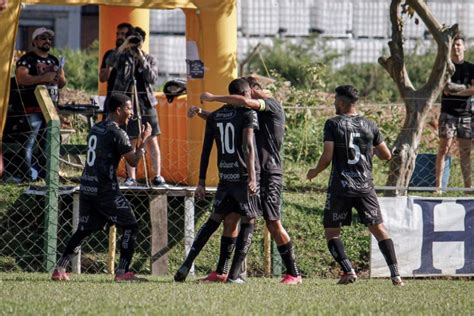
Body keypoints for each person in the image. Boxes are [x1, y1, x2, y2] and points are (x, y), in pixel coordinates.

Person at [197, 76, 302, 284]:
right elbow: (230, 121)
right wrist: (203, 114)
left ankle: (294, 273)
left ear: (254, 90)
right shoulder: (254, 112)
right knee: (230, 219)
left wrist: (212, 97)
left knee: (273, 223)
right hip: (253, 174)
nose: (245, 96)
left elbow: (244, 102)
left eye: (248, 92)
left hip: (270, 173)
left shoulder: (271, 105)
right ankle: (221, 272)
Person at [306, 85, 404, 286]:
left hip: (341, 186)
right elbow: (386, 155)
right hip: (365, 186)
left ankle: (348, 270)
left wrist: (314, 171)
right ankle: (396, 275)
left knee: (332, 231)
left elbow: (327, 156)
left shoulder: (333, 124)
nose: (333, 103)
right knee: (379, 229)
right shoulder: (370, 124)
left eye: (335, 100)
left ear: (341, 103)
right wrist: (369, 150)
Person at [51, 94, 151, 282]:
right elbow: (134, 161)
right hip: (105, 189)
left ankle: (60, 269)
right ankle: (122, 273)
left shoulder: (96, 128)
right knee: (130, 225)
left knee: (84, 229)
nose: (132, 113)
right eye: (129, 108)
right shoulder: (117, 132)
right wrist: (144, 141)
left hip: (88, 185)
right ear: (119, 110)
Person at [174, 78, 260, 284]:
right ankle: (234, 275)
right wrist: (253, 177)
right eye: (250, 94)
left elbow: (206, 150)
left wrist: (201, 181)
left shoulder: (217, 116)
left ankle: (188, 263)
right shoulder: (248, 113)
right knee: (250, 220)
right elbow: (248, 146)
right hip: (242, 177)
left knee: (218, 220)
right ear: (245, 94)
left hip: (225, 178)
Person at [107, 27, 165, 187]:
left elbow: (152, 78)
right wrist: (124, 45)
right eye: (132, 39)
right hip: (128, 104)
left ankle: (157, 176)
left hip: (146, 103)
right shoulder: (122, 57)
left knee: (152, 139)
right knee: (130, 140)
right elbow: (109, 62)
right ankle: (131, 177)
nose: (134, 43)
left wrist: (140, 57)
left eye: (136, 39)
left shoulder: (149, 58)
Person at [15, 27, 66, 181]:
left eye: (49, 39)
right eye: (43, 38)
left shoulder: (54, 60)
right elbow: (21, 79)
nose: (47, 41)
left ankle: (46, 175)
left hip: (51, 109)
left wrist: (60, 75)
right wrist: (44, 77)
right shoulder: (27, 59)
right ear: (35, 41)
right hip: (33, 108)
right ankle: (28, 175)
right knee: (29, 143)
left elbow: (62, 84)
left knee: (49, 144)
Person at [435, 35, 474, 192]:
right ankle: (437, 187)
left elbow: (472, 90)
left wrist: (456, 91)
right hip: (447, 114)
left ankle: (468, 187)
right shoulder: (445, 67)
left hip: (465, 115)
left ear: (464, 47)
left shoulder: (471, 68)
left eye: (458, 45)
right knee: (444, 148)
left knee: (465, 152)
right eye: (453, 46)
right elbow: (445, 89)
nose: (456, 48)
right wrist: (464, 88)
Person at [99, 22, 134, 115]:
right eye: (118, 34)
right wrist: (109, 66)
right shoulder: (110, 54)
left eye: (123, 34)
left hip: (130, 101)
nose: (119, 37)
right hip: (112, 99)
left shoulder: (134, 56)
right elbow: (102, 78)